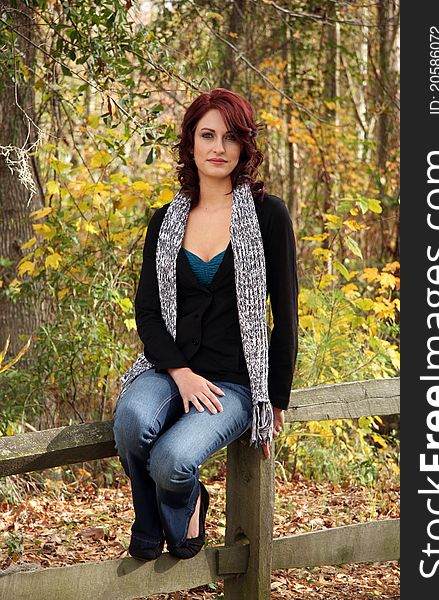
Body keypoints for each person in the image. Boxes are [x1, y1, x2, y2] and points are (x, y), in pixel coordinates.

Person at [112, 88, 298, 562]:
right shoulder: (165, 221)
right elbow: (148, 313)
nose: (219, 147)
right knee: (132, 421)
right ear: (190, 144)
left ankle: (188, 502)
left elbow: (286, 316)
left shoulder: (269, 216)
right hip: (169, 368)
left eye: (230, 137)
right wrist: (179, 372)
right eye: (208, 135)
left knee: (173, 461)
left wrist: (274, 398)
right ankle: (154, 527)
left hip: (234, 382)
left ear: (244, 147)